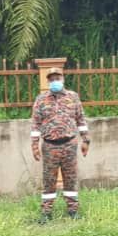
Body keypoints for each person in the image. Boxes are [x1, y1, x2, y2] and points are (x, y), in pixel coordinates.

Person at [30, 66, 90, 222]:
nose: (55, 81)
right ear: (48, 81)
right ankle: (46, 213)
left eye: (58, 78)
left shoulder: (73, 97)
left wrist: (86, 140)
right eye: (52, 79)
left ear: (63, 79)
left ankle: (73, 211)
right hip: (49, 146)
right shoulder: (41, 99)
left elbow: (80, 119)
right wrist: (35, 145)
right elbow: (36, 123)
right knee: (48, 180)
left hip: (69, 145)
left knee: (70, 179)